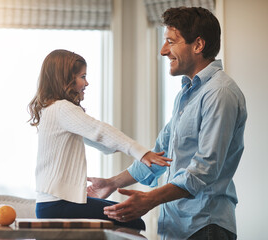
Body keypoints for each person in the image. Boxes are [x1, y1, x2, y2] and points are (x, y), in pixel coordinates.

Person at [87, 7, 247, 239]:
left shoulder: (220, 93)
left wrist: (149, 200)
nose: (163, 51)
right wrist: (111, 183)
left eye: (171, 42)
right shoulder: (187, 94)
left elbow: (205, 170)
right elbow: (160, 156)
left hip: (206, 227)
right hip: (177, 227)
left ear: (198, 45)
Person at [27, 49, 172, 230]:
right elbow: (100, 131)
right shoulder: (63, 109)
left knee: (131, 222)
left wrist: (119, 147)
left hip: (50, 205)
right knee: (134, 221)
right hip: (60, 205)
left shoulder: (51, 110)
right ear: (65, 80)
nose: (86, 83)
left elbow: (99, 140)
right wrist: (142, 153)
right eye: (82, 77)